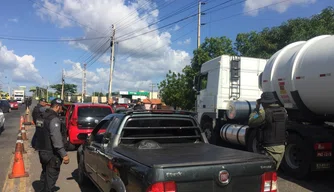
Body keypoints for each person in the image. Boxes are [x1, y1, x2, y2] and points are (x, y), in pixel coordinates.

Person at [35, 98, 70, 192]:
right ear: (57, 107)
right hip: (52, 154)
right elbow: (56, 139)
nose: (62, 110)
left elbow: (37, 133)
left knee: (45, 173)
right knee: (51, 177)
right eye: (61, 108)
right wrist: (64, 154)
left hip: (42, 151)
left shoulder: (41, 116)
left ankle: (42, 190)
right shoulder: (54, 119)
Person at [248, 92, 288, 170]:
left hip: (269, 148)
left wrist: (256, 110)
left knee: (265, 173)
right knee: (273, 171)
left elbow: (251, 121)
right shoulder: (284, 111)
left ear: (263, 102)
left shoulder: (264, 113)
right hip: (281, 147)